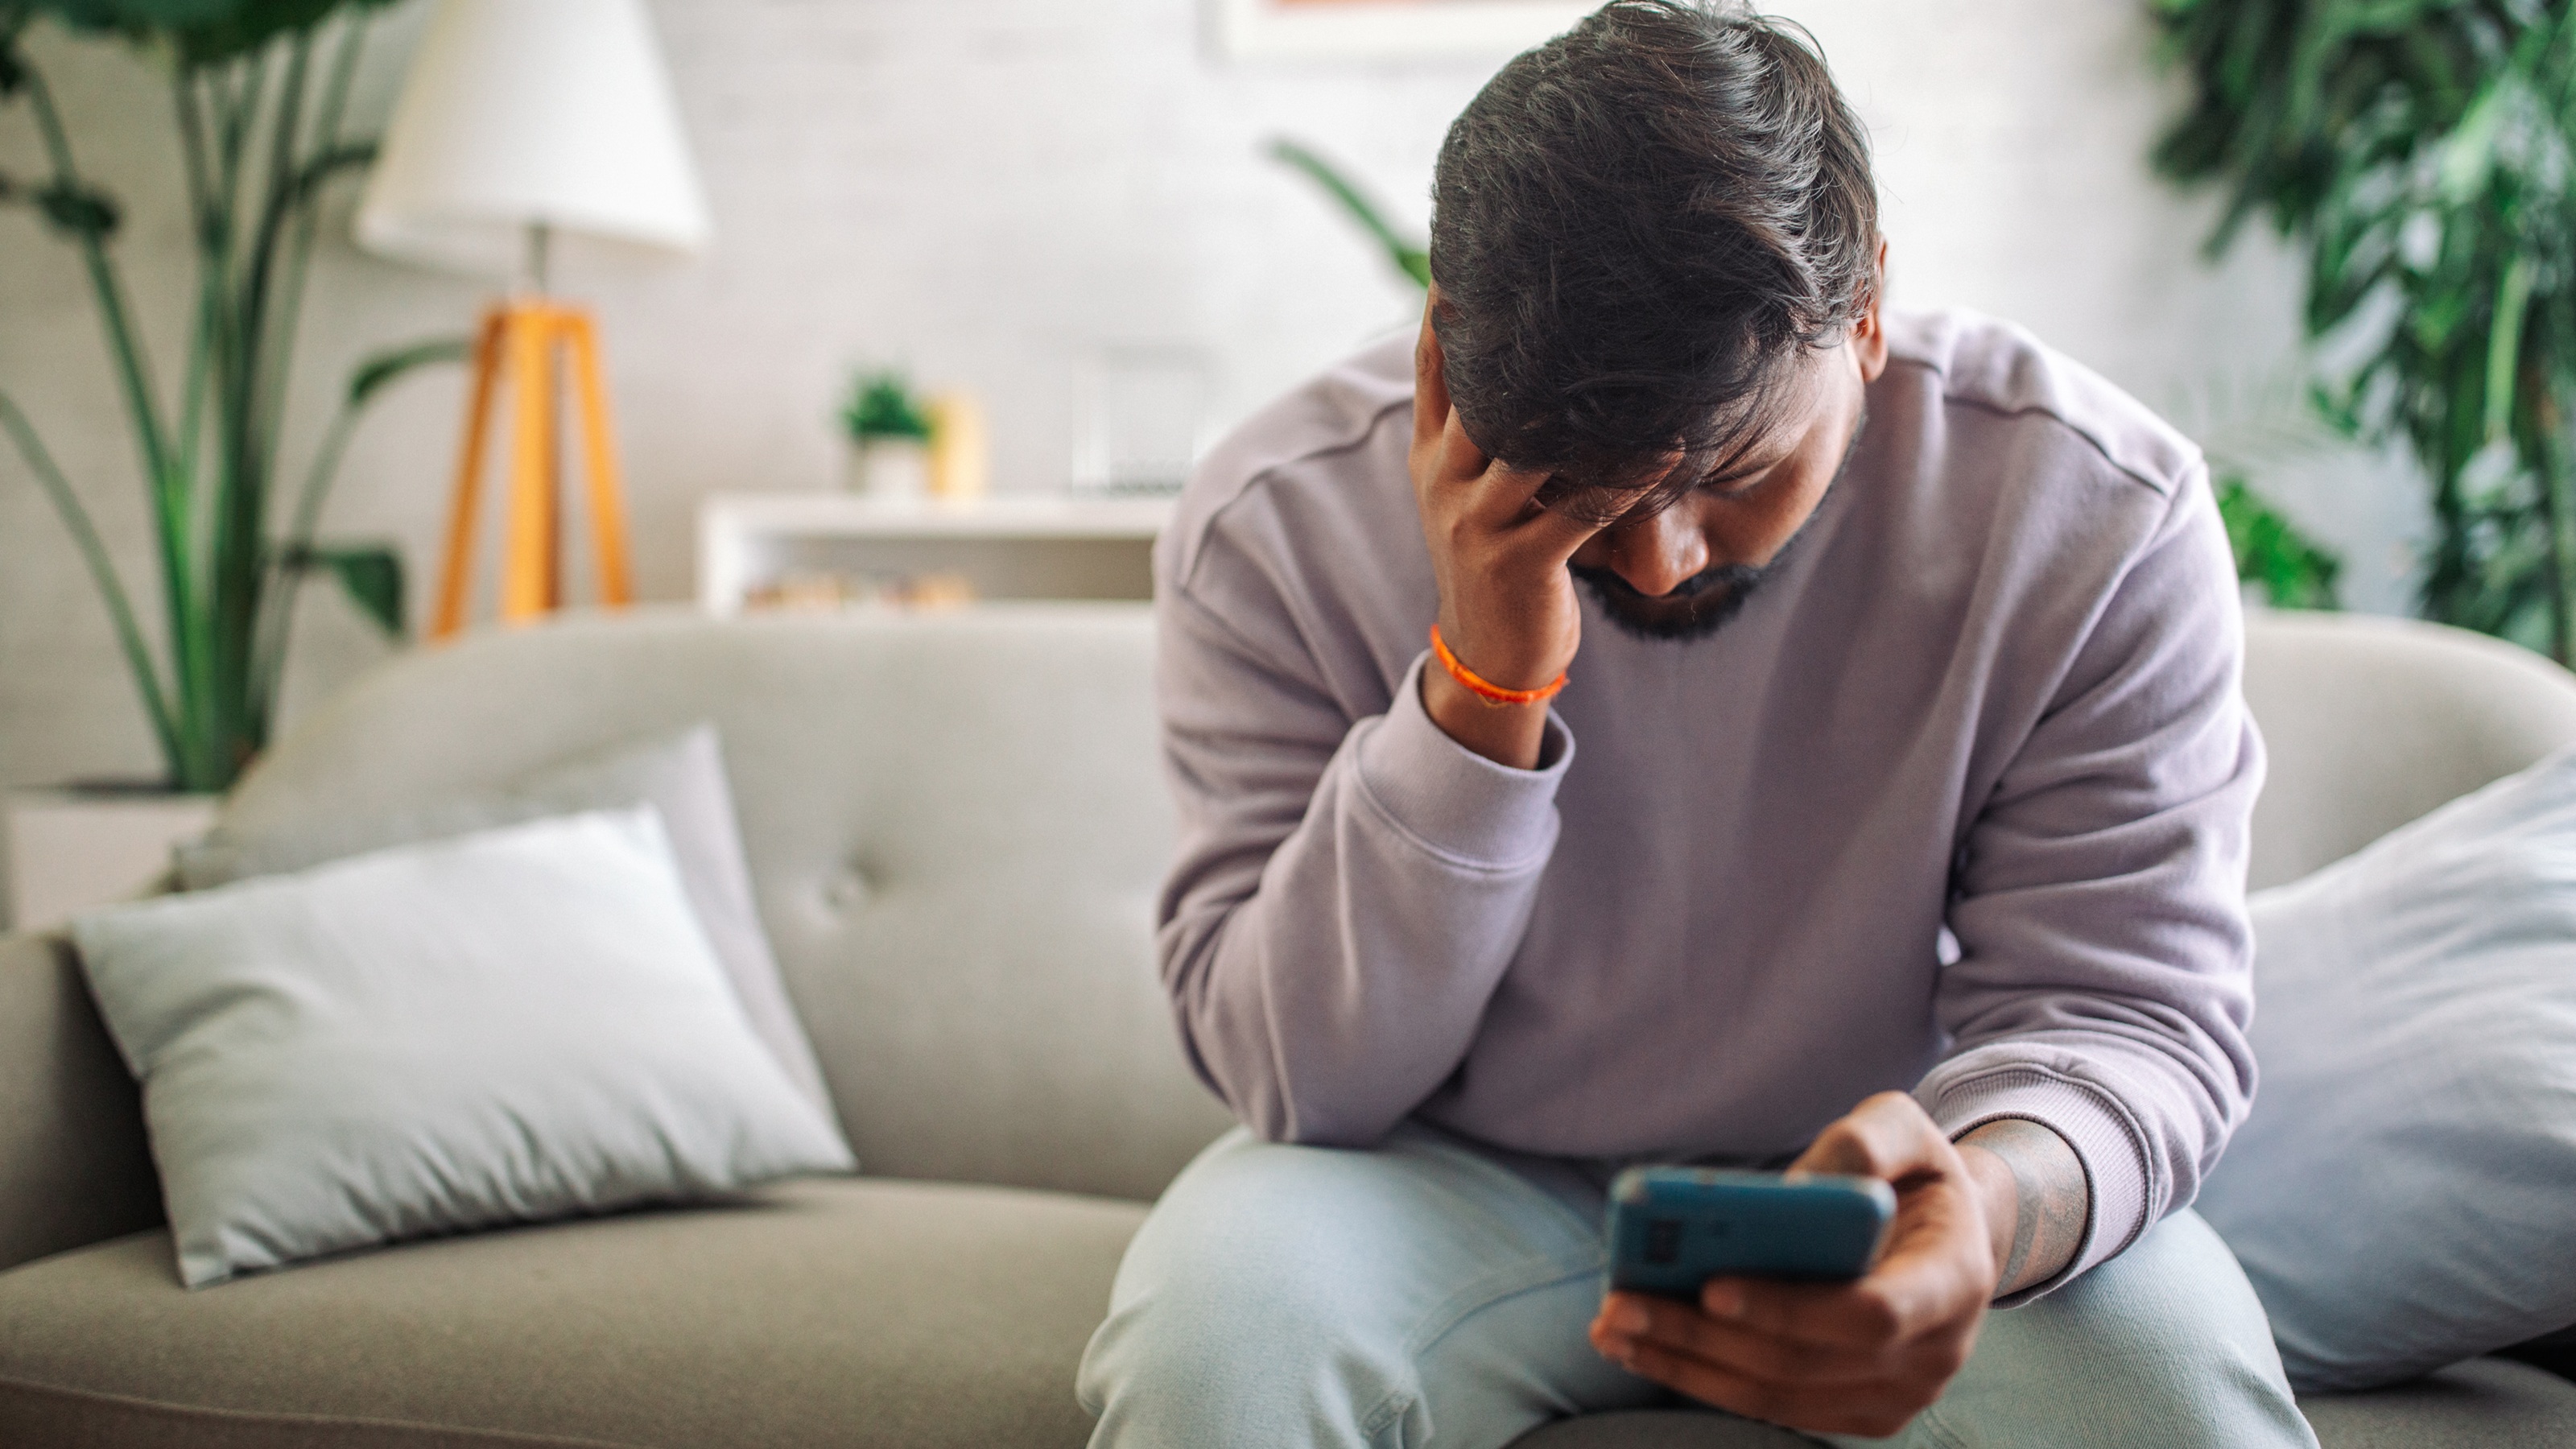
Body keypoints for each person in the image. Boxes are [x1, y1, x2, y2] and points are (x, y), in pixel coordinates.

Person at [1077, 3, 2316, 1445]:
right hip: (1430, 1179)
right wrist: (1480, 693)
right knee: (1217, 1355)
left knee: (2168, 1393)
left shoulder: (2093, 515)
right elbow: (1298, 1080)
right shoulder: (1273, 522)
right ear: (1447, 359)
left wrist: (1974, 1217)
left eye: (1738, 471)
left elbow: (2121, 1013)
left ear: (1864, 319)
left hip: (1901, 1168)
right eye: (1584, 482)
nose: (1661, 561)